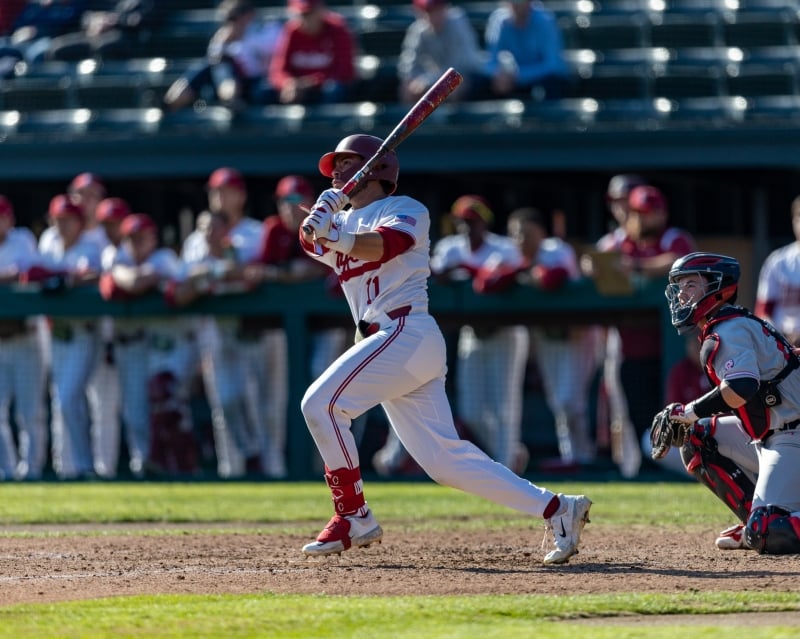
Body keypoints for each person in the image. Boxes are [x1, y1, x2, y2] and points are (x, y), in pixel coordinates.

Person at [298, 133, 592, 564]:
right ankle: (559, 508)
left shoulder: (406, 209)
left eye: (346, 163)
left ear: (374, 169)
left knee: (320, 405)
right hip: (387, 343)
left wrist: (331, 232)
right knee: (444, 461)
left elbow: (384, 246)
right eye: (335, 166)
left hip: (405, 331)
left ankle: (353, 515)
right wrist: (316, 221)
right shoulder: (342, 223)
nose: (337, 172)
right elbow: (312, 243)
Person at [651, 252, 800, 554]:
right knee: (697, 437)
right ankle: (756, 521)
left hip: (791, 435)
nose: (682, 294)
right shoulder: (727, 324)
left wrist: (688, 411)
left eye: (691, 284)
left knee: (769, 534)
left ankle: (764, 523)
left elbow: (742, 388)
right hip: (772, 433)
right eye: (680, 285)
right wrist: (691, 419)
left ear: (717, 287)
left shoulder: (728, 329)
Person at [485, 206, 598, 469]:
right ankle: (573, 456)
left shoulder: (556, 249)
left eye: (527, 233)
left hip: (577, 334)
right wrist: (518, 271)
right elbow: (487, 283)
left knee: (571, 401)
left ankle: (582, 456)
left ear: (541, 233)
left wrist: (526, 271)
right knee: (559, 402)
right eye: (515, 234)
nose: (521, 240)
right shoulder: (511, 254)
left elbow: (552, 279)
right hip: (547, 337)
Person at [430, 194, 529, 473]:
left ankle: (506, 466)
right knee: (470, 409)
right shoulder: (450, 248)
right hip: (472, 332)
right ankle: (512, 450)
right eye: (461, 222)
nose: (466, 229)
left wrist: (466, 270)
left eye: (472, 223)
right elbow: (433, 272)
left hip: (505, 332)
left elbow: (506, 274)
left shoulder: (503, 248)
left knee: (505, 405)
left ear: (484, 223)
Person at [99, 213, 199, 477]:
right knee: (135, 413)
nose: (136, 244)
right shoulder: (117, 256)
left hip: (172, 342)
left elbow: (137, 282)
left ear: (153, 238)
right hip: (133, 344)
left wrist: (125, 276)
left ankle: (181, 467)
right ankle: (143, 466)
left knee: (169, 405)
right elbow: (124, 283)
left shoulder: (163, 258)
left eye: (142, 238)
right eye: (132, 239)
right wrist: (125, 276)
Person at [181, 167, 265, 478]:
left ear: (241, 195)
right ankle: (233, 468)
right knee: (224, 402)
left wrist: (215, 272)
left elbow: (252, 273)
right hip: (214, 327)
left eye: (225, 191)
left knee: (260, 403)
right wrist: (219, 271)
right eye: (214, 192)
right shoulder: (196, 240)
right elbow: (187, 278)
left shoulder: (254, 231)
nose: (219, 197)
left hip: (253, 327)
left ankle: (270, 469)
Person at [615, 185, 696, 471]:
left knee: (670, 411)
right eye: (639, 213)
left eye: (650, 213)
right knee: (637, 415)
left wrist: (635, 266)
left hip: (669, 349)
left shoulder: (673, 237)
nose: (644, 219)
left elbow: (678, 262)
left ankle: (671, 465)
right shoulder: (623, 240)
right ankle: (646, 467)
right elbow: (601, 261)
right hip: (631, 346)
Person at [30, 194, 102, 480]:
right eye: (58, 220)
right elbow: (32, 272)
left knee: (71, 398)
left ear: (80, 222)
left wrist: (66, 279)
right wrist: (64, 277)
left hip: (84, 332)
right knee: (62, 400)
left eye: (68, 220)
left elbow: (91, 274)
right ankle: (67, 466)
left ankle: (85, 466)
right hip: (54, 333)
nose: (62, 225)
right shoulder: (48, 241)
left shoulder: (90, 244)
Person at [581, 174, 648, 478]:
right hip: (620, 335)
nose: (622, 208)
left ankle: (649, 463)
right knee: (619, 406)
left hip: (657, 333)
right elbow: (590, 263)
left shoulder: (652, 239)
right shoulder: (613, 241)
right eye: (617, 202)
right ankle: (630, 467)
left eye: (626, 200)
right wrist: (590, 266)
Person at [0, 195, 47, 481]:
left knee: (30, 412)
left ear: (9, 219)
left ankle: (32, 469)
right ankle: (5, 470)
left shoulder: (22, 239)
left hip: (26, 337)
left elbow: (26, 274)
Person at [163, 0, 281, 112]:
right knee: (208, 66)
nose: (231, 23)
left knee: (218, 65)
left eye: (234, 18)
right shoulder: (223, 38)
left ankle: (231, 99)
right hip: (224, 86)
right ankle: (171, 101)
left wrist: (242, 38)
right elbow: (215, 63)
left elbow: (262, 66)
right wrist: (223, 44)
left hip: (258, 85)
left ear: (249, 15)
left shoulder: (268, 31)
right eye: (228, 20)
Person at [267, 0, 355, 105]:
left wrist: (310, 82)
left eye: (309, 13)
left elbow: (344, 72)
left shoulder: (338, 29)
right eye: (300, 15)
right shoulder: (292, 31)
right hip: (297, 88)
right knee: (265, 91)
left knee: (334, 89)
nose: (304, 19)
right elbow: (277, 70)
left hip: (324, 89)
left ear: (320, 9)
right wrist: (288, 84)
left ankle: (327, 121)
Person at [397, 0, 485, 105]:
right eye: (429, 11)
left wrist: (427, 80)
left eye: (437, 9)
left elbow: (457, 66)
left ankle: (454, 121)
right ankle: (416, 121)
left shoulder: (457, 23)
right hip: (437, 78)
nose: (433, 15)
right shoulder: (419, 29)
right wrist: (414, 81)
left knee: (452, 86)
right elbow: (408, 65)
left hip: (469, 76)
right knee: (408, 87)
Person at [482, 0, 569, 101]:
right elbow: (490, 62)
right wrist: (500, 75)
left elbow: (553, 65)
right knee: (485, 84)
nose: (516, 6)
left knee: (552, 83)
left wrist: (518, 76)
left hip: (543, 80)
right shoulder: (499, 20)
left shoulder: (545, 20)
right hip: (514, 81)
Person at [44, 0, 160, 62]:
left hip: (129, 37)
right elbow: (87, 13)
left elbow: (145, 19)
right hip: (96, 33)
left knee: (104, 47)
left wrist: (114, 21)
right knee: (57, 47)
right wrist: (94, 21)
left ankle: (103, 95)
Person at [754, 195, 800, 346]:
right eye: (799, 217)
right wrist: (778, 337)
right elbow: (763, 311)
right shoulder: (778, 261)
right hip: (783, 344)